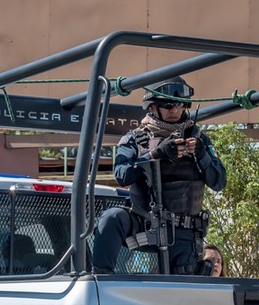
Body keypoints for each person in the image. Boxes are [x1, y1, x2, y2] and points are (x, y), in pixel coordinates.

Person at [92, 77, 226, 274]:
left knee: (182, 291)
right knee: (112, 218)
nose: (174, 110)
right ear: (153, 107)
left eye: (179, 104)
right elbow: (122, 175)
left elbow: (219, 181)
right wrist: (155, 155)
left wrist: (202, 155)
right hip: (144, 223)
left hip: (184, 232)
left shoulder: (200, 140)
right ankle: (101, 280)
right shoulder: (135, 138)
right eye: (167, 105)